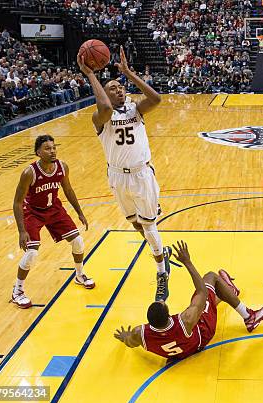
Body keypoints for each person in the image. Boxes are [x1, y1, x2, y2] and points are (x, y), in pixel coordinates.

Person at [78, 46, 171, 301]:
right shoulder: (100, 117)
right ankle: (160, 250)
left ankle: (162, 271)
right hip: (118, 177)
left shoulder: (135, 110)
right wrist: (90, 74)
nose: (119, 90)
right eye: (112, 88)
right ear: (103, 94)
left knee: (149, 226)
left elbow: (157, 99)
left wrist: (129, 73)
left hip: (141, 174)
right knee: (134, 222)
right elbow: (106, 108)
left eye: (120, 87)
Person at [113, 241, 263, 360]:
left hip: (183, 352)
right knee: (210, 278)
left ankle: (228, 292)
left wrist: (125, 337)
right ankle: (249, 317)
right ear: (168, 315)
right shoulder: (186, 319)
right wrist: (187, 261)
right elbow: (201, 290)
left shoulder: (139, 333)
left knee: (203, 302)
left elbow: (130, 342)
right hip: (202, 335)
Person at [11, 135, 93, 309]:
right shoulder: (29, 173)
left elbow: (68, 189)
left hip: (54, 209)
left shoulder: (62, 167)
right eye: (47, 148)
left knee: (78, 241)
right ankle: (17, 290)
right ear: (38, 153)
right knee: (32, 253)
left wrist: (80, 212)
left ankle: (80, 275)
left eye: (54, 147)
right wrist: (21, 231)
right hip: (32, 212)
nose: (52, 151)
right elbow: (17, 202)